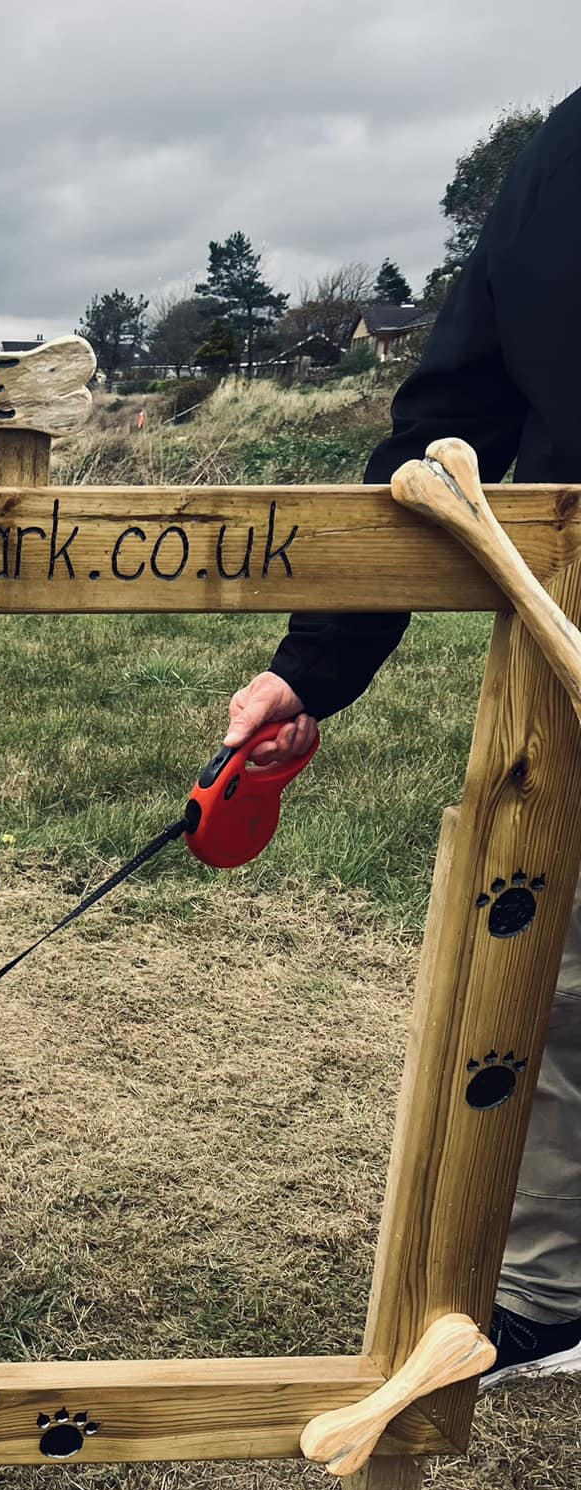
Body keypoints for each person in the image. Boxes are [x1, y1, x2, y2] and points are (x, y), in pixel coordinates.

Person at [222, 87, 581, 1384]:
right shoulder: (562, 162)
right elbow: (447, 428)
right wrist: (309, 668)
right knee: (560, 978)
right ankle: (548, 1294)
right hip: (566, 640)